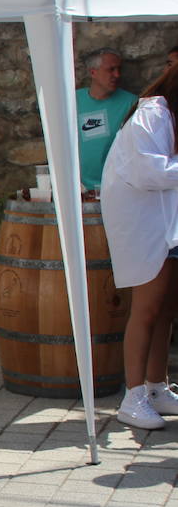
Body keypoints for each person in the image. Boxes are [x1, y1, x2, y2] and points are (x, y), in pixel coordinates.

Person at [101, 62, 178, 430]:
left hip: (164, 223)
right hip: (143, 224)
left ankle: (157, 387)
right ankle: (133, 397)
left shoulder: (167, 116)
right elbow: (150, 172)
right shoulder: (152, 114)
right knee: (146, 309)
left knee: (165, 309)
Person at [76, 48, 138, 193]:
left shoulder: (131, 103)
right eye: (111, 70)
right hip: (80, 189)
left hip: (117, 188)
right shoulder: (74, 100)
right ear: (93, 72)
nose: (117, 75)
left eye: (119, 69)